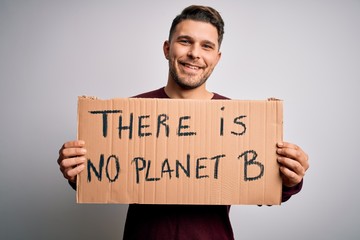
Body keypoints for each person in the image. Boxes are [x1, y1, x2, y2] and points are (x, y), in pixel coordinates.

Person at [58, 5, 309, 240]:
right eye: (185, 41)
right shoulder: (128, 114)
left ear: (217, 58)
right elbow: (98, 176)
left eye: (206, 46)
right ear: (167, 48)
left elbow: (262, 186)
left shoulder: (239, 120)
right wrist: (76, 169)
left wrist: (289, 179)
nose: (194, 54)